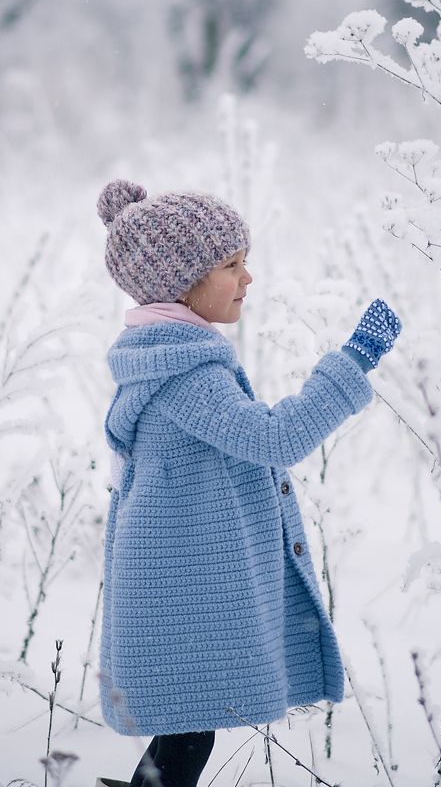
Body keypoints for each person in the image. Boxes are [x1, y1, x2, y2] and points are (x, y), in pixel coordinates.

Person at [94, 179, 402, 787]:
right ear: (181, 284)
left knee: (187, 726)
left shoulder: (169, 355)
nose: (248, 278)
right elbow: (273, 439)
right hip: (183, 586)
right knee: (188, 727)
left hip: (180, 578)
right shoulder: (188, 374)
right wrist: (353, 361)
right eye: (232, 265)